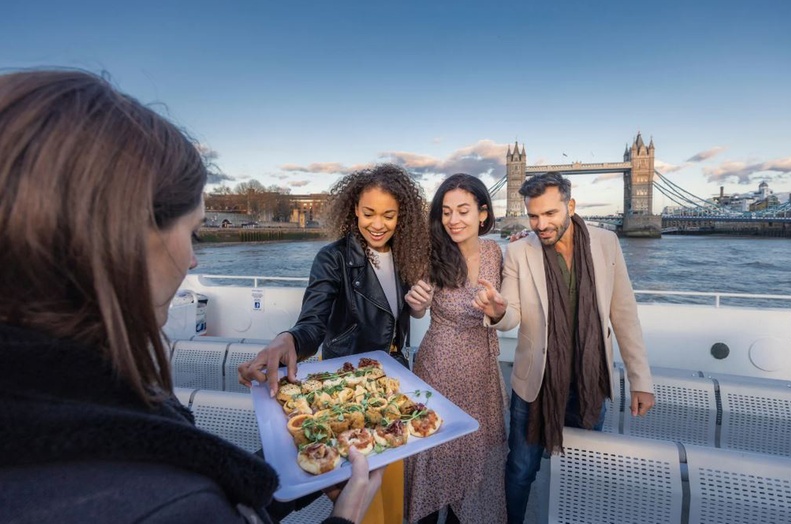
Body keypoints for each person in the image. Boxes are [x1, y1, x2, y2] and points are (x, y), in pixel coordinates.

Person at [0, 69, 381, 524]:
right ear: (120, 241)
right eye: (193, 232)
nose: (194, 262)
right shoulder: (170, 501)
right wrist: (345, 517)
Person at [238, 163, 430, 524]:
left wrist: (419, 308)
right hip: (347, 388)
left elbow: (400, 317)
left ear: (401, 214)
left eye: (389, 215)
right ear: (353, 209)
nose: (378, 224)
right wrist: (289, 339)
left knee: (389, 487)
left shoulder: (407, 256)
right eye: (369, 213)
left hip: (392, 384)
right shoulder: (332, 258)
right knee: (360, 493)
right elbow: (313, 323)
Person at [473, 171, 656, 524]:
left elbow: (624, 313)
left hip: (590, 381)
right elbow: (512, 313)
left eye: (550, 214)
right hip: (535, 385)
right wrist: (497, 311)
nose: (541, 224)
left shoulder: (606, 243)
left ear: (570, 206)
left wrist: (640, 379)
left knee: (584, 472)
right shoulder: (519, 251)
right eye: (533, 215)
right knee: (520, 472)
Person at [404, 174, 508, 524]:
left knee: (476, 455)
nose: (453, 220)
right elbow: (418, 307)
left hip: (482, 375)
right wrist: (416, 303)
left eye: (463, 210)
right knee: (435, 452)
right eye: (446, 212)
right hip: (439, 370)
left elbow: (507, 307)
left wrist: (498, 311)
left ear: (483, 213)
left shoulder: (496, 252)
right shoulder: (431, 255)